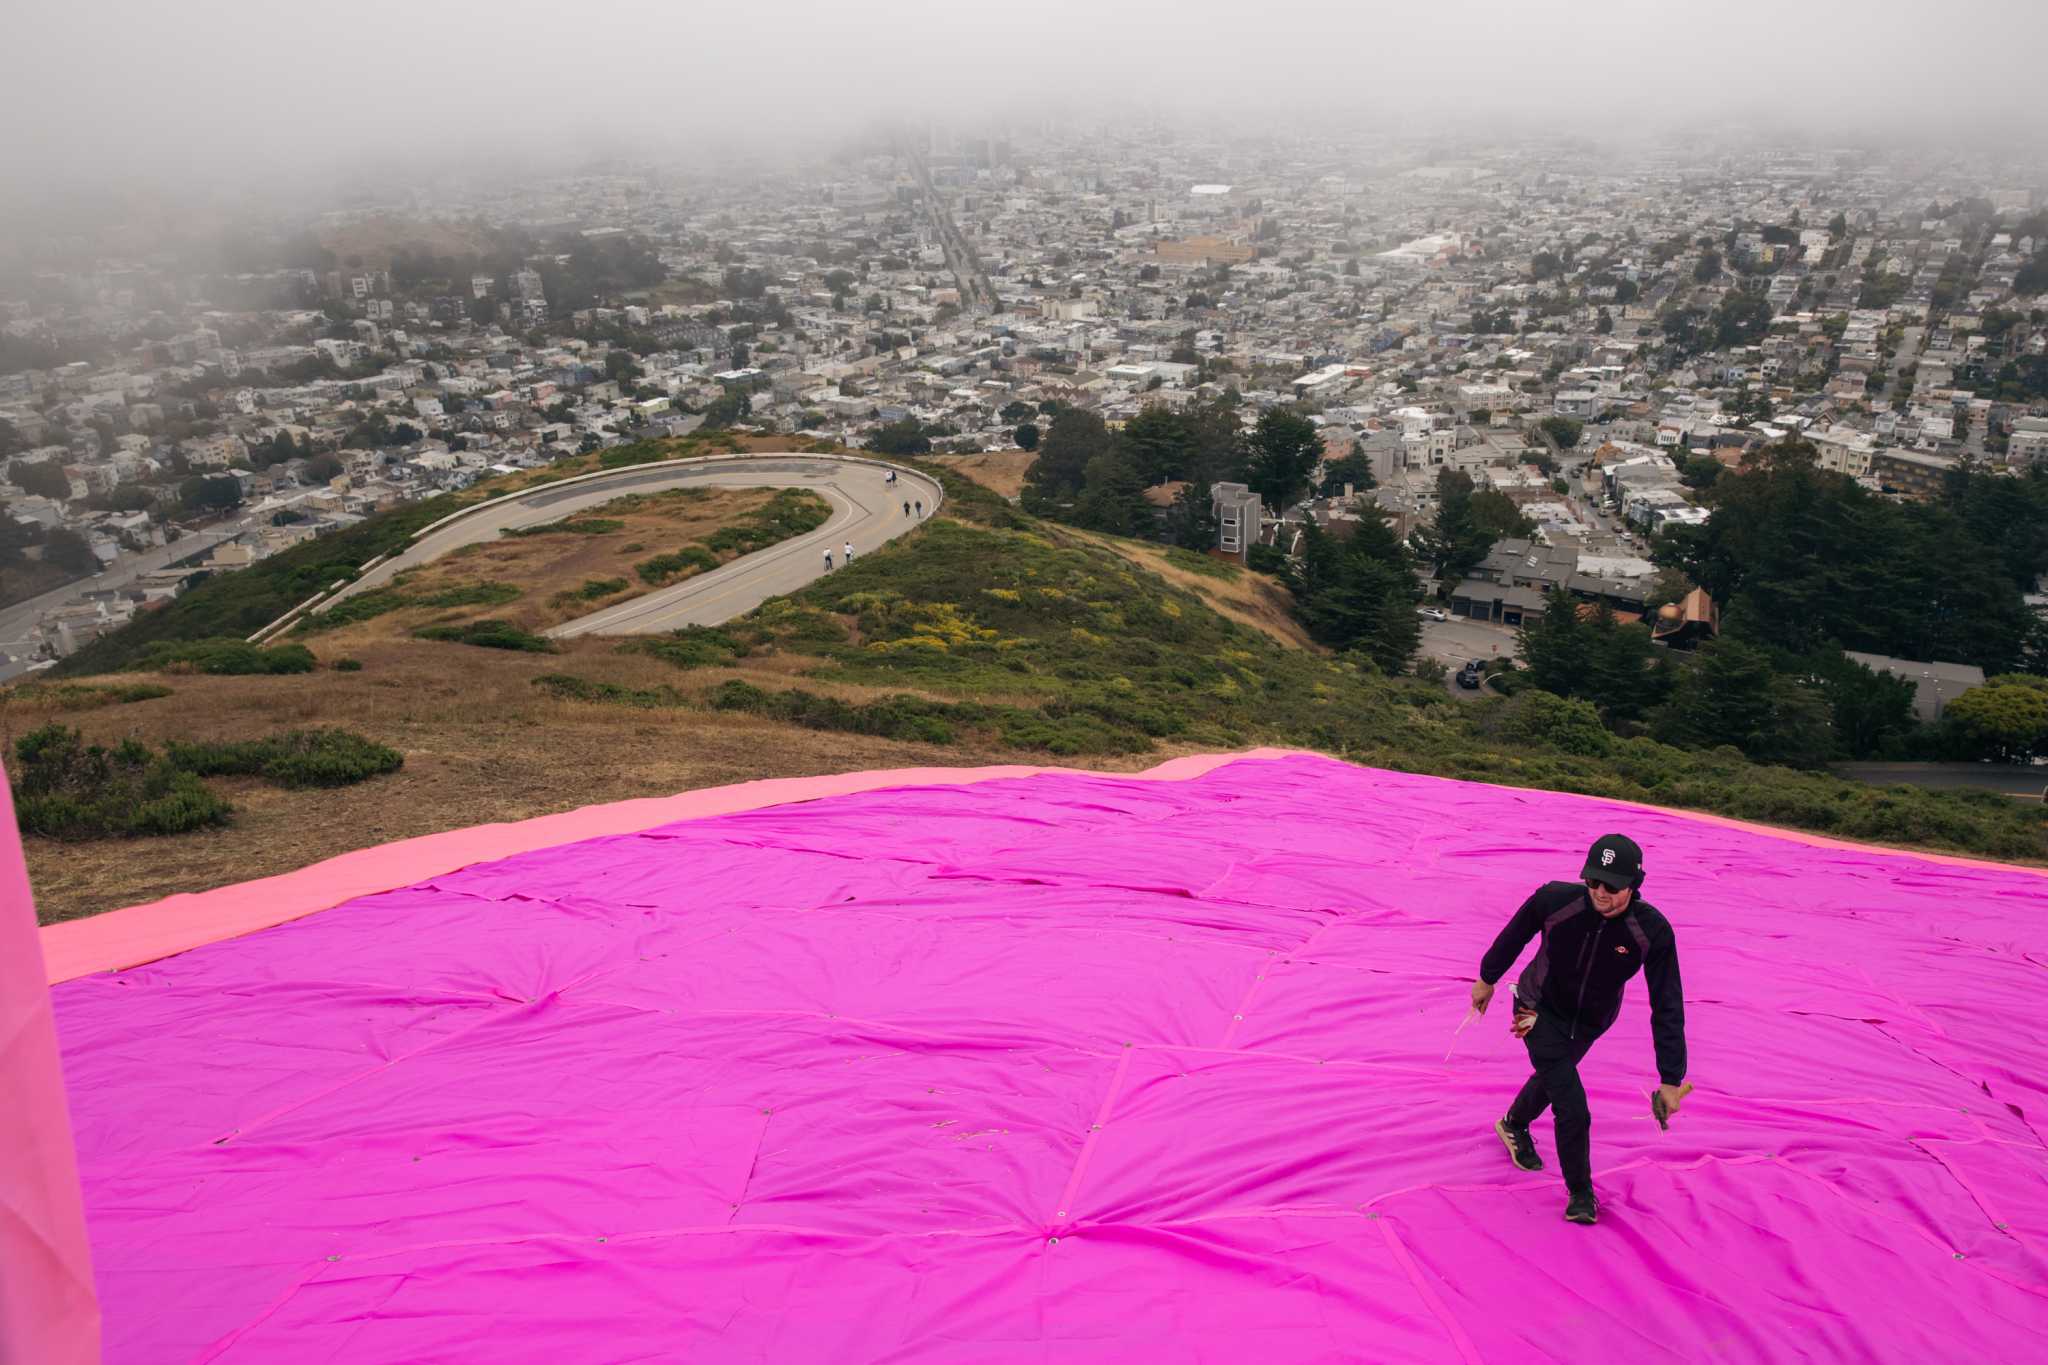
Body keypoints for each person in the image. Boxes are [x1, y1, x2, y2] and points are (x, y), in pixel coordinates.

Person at [1469, 834, 1687, 1226]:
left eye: (1612, 886)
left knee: (1555, 1077)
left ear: (1635, 884)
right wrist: (1487, 977)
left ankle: (1513, 1123)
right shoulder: (1556, 899)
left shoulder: (1651, 931)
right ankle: (1581, 1193)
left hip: (1590, 1021)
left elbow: (1666, 1003)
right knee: (1572, 1106)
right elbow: (1516, 932)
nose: (1600, 893)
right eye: (1593, 882)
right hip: (1533, 1009)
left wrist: (1671, 1077)